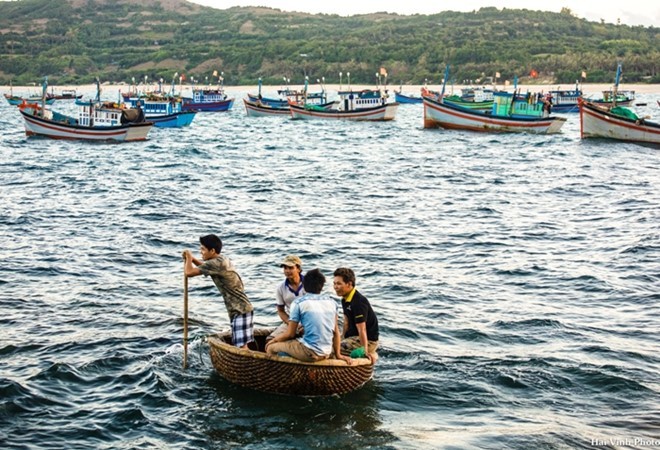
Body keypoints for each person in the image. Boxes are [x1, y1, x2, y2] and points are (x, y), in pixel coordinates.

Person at [265, 268, 351, 364]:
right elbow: (336, 333)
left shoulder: (298, 303)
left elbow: (290, 334)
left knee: (270, 347)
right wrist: (338, 355)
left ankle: (286, 371)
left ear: (304, 287)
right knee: (294, 342)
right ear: (321, 287)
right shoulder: (332, 303)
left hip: (310, 352)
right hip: (327, 351)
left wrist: (274, 340)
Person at [183, 234, 254, 349]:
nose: (201, 252)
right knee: (241, 345)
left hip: (240, 309)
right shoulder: (221, 259)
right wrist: (192, 259)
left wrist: (189, 257)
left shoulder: (216, 263)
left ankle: (246, 366)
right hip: (241, 308)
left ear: (212, 251)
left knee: (242, 347)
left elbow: (189, 272)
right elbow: (204, 266)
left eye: (203, 249)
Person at [333, 267, 379, 364]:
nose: (335, 287)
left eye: (339, 284)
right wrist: (340, 338)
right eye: (334, 283)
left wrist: (364, 351)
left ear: (349, 284)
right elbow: (346, 322)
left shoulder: (358, 302)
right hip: (352, 338)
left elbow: (362, 329)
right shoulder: (344, 299)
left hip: (367, 340)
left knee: (333, 350)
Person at [266, 255, 306, 342]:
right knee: (270, 340)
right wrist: (291, 323)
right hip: (291, 321)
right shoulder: (281, 287)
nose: (287, 271)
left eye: (291, 268)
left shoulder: (309, 283)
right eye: (285, 268)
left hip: (308, 320)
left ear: (298, 269)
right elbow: (281, 310)